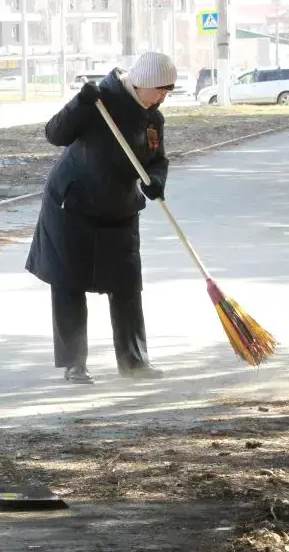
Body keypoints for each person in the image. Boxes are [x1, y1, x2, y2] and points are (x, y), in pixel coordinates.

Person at [25, 51, 176, 383]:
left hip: (120, 208)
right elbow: (55, 134)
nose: (162, 98)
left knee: (126, 285)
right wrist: (78, 104)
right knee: (69, 284)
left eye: (168, 93)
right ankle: (74, 364)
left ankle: (134, 362)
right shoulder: (98, 102)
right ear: (143, 83)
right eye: (160, 91)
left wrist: (156, 180)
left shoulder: (153, 118)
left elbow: (156, 160)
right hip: (72, 207)